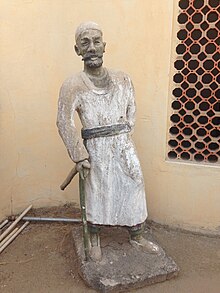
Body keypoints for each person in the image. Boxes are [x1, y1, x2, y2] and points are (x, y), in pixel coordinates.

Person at [57, 21, 159, 261]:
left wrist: (121, 136)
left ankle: (137, 234)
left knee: (134, 182)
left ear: (104, 46)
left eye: (96, 41)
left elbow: (131, 109)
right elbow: (64, 121)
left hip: (122, 143)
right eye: (85, 43)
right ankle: (93, 237)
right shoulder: (72, 85)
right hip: (94, 148)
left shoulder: (123, 79)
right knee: (97, 190)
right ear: (77, 50)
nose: (91, 47)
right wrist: (79, 154)